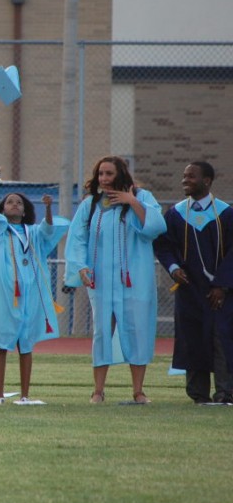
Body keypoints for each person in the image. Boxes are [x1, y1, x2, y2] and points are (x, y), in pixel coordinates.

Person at [64, 156, 166, 404]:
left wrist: (131, 201)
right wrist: (80, 267)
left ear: (120, 174)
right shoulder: (90, 205)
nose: (104, 179)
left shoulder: (142, 198)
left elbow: (155, 228)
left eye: (109, 174)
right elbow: (76, 239)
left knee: (137, 329)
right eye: (100, 174)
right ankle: (97, 391)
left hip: (134, 279)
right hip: (101, 280)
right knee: (102, 332)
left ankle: (138, 391)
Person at [0, 172, 69, 404]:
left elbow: (49, 230)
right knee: (2, 342)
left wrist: (48, 208)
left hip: (30, 294)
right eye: (9, 202)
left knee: (26, 344)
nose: (14, 204)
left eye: (19, 202)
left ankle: (25, 395)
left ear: (25, 210)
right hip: (5, 294)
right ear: (3, 209)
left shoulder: (33, 233)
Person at [154, 162, 233, 404]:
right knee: (193, 338)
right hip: (189, 290)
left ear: (207, 181)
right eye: (184, 176)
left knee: (223, 339)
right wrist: (174, 268)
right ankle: (198, 395)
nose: (184, 180)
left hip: (221, 291)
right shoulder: (176, 214)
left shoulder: (226, 213)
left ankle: (225, 393)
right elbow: (164, 245)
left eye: (191, 176)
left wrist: (222, 285)